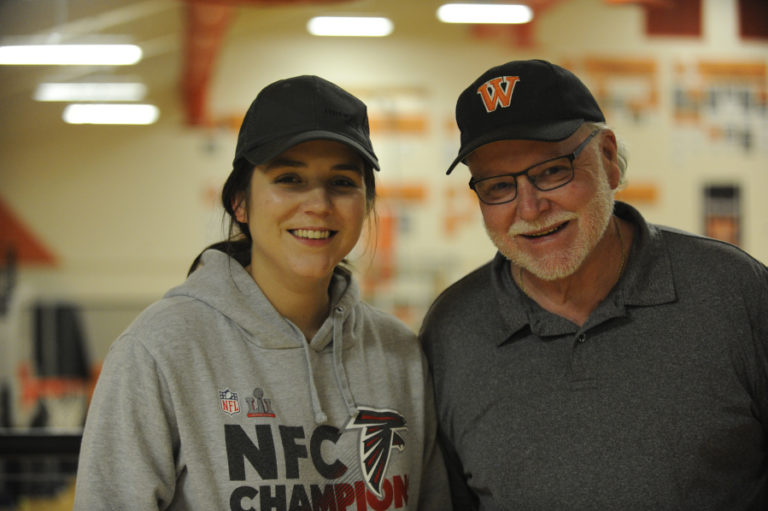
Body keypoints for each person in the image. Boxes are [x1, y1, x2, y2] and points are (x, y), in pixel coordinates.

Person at [74, 75, 451, 510]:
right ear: (240, 203)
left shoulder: (398, 353)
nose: (319, 204)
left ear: (366, 203)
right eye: (290, 178)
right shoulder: (159, 351)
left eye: (343, 183)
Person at [420, 59, 768, 510]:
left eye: (551, 171)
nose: (529, 208)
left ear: (607, 159)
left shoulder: (734, 292)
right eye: (498, 186)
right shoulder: (451, 331)